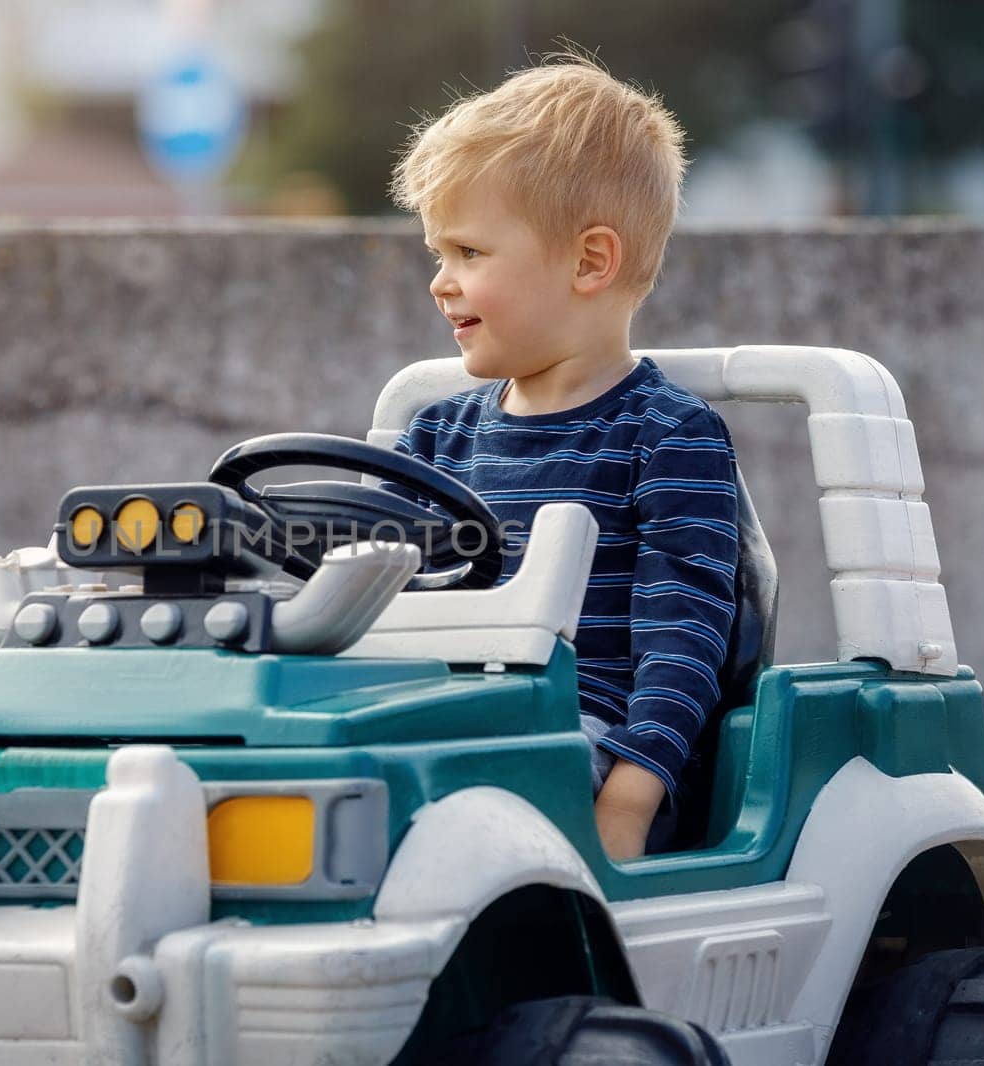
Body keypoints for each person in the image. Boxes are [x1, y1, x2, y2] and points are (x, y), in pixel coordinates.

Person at [387, 53, 739, 861]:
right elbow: (383, 612)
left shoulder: (666, 434)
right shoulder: (434, 438)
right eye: (438, 256)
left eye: (470, 254)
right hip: (451, 724)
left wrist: (628, 801)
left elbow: (684, 634)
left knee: (453, 797)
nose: (441, 283)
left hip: (586, 747)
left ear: (590, 262)